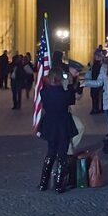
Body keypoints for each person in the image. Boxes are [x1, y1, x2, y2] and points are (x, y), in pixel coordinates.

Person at [36, 65, 80, 193]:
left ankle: (43, 183)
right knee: (62, 155)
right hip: (63, 124)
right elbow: (72, 100)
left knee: (50, 152)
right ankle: (59, 185)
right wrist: (71, 84)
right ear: (61, 79)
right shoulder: (65, 94)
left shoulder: (44, 92)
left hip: (50, 124)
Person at [87, 49, 104, 115]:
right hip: (94, 81)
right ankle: (97, 108)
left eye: (98, 55)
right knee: (95, 95)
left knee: (96, 95)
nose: (97, 56)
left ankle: (97, 108)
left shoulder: (101, 63)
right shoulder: (94, 63)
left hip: (98, 81)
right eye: (96, 55)